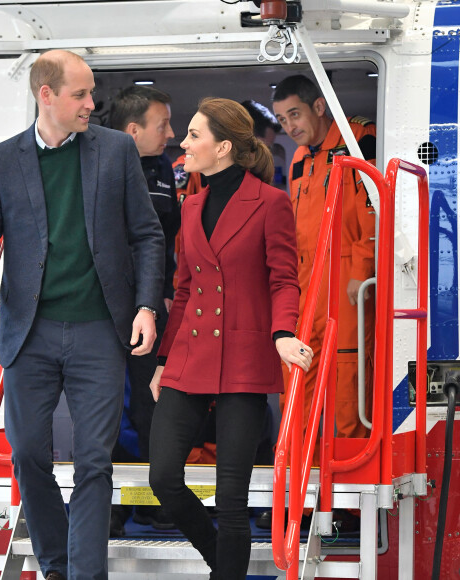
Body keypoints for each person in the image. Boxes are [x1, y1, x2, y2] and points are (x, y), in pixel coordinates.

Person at [0, 49, 165, 580]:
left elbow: (147, 236)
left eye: (91, 92)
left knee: (95, 462)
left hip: (100, 330)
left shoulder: (115, 152)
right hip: (31, 333)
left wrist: (145, 305)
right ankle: (55, 565)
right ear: (45, 96)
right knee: (27, 456)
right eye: (80, 94)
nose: (92, 103)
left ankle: (85, 575)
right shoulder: (0, 161)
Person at [148, 97, 313, 580]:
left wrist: (283, 333)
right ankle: (223, 562)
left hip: (243, 359)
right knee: (163, 477)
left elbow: (285, 279)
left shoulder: (271, 203)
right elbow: (184, 290)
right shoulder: (191, 204)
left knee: (233, 500)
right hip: (189, 356)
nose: (184, 142)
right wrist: (163, 361)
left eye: (194, 135)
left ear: (223, 147)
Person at [261, 75, 375, 532]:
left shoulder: (356, 142)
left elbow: (375, 209)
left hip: (344, 288)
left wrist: (358, 273)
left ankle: (344, 505)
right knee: (297, 392)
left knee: (346, 392)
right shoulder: (301, 161)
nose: (290, 126)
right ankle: (299, 502)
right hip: (305, 289)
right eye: (283, 118)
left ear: (319, 107)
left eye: (295, 114)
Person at [108, 85, 180, 533]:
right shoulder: (95, 167)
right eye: (163, 125)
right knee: (103, 410)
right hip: (105, 312)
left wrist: (166, 292)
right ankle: (110, 510)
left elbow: (166, 239)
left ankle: (156, 502)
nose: (171, 134)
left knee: (154, 407)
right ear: (133, 130)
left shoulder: (162, 172)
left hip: (153, 308)